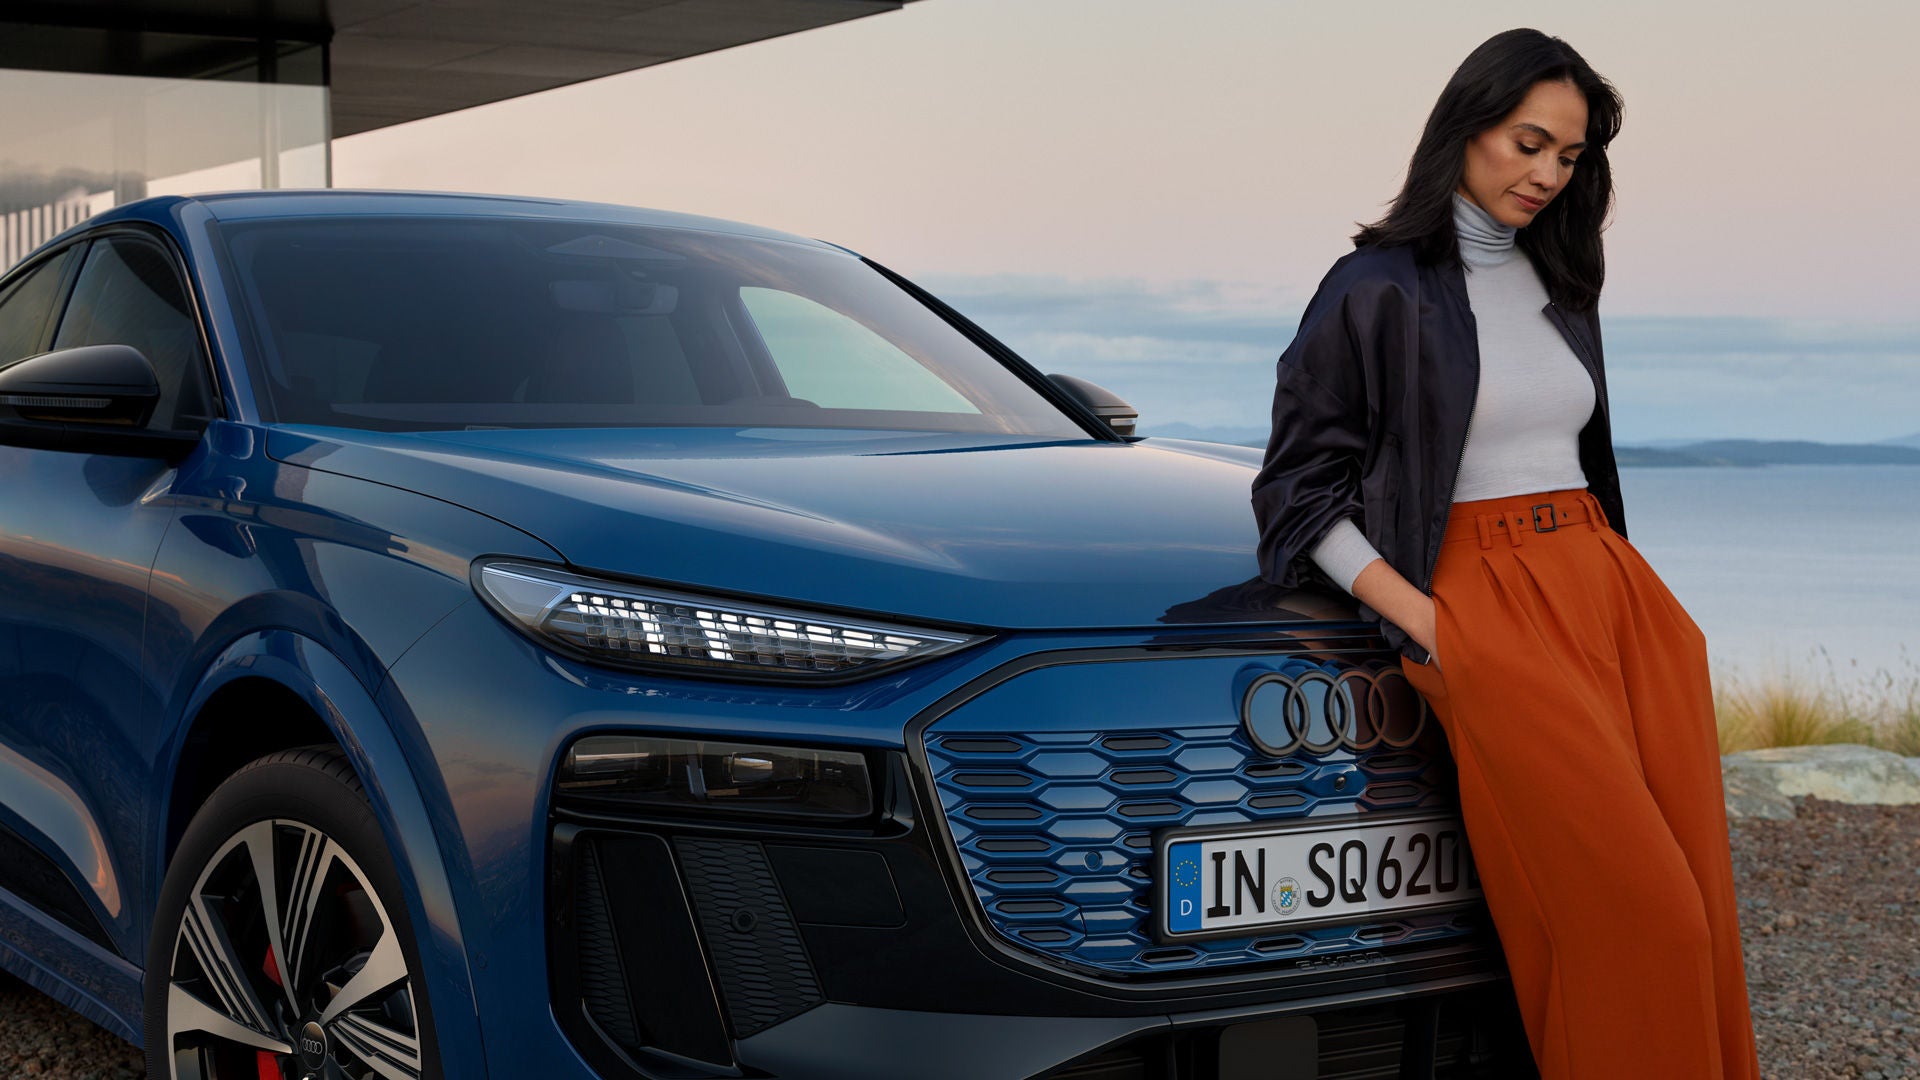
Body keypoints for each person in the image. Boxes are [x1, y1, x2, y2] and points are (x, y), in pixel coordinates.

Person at [1250, 27, 1761, 1080]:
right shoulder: (1373, 288)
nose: (1546, 174)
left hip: (1610, 596)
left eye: (1569, 157)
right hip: (1486, 607)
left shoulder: (1561, 278)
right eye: (1529, 142)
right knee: (1642, 916)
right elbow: (1295, 496)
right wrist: (1430, 622)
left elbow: (1570, 452)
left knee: (1693, 911)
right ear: (1466, 127)